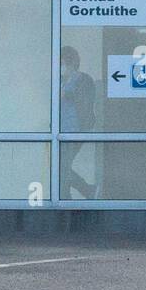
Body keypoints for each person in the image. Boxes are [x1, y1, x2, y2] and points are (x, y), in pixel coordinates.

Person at [59, 45, 96, 199]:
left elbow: (85, 100)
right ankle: (71, 196)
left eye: (61, 63)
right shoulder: (61, 81)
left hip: (75, 130)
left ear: (71, 63)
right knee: (61, 168)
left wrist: (66, 93)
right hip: (60, 132)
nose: (59, 68)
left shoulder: (83, 79)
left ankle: (85, 191)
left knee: (62, 167)